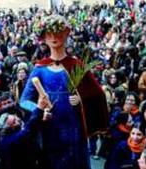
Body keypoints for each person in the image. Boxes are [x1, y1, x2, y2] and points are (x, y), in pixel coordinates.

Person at [20, 15, 108, 169]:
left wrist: (81, 99)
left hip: (74, 129)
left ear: (67, 34)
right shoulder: (39, 68)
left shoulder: (76, 65)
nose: (54, 37)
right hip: (50, 128)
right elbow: (24, 100)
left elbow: (97, 95)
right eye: (49, 33)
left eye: (59, 32)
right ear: (44, 38)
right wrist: (39, 110)